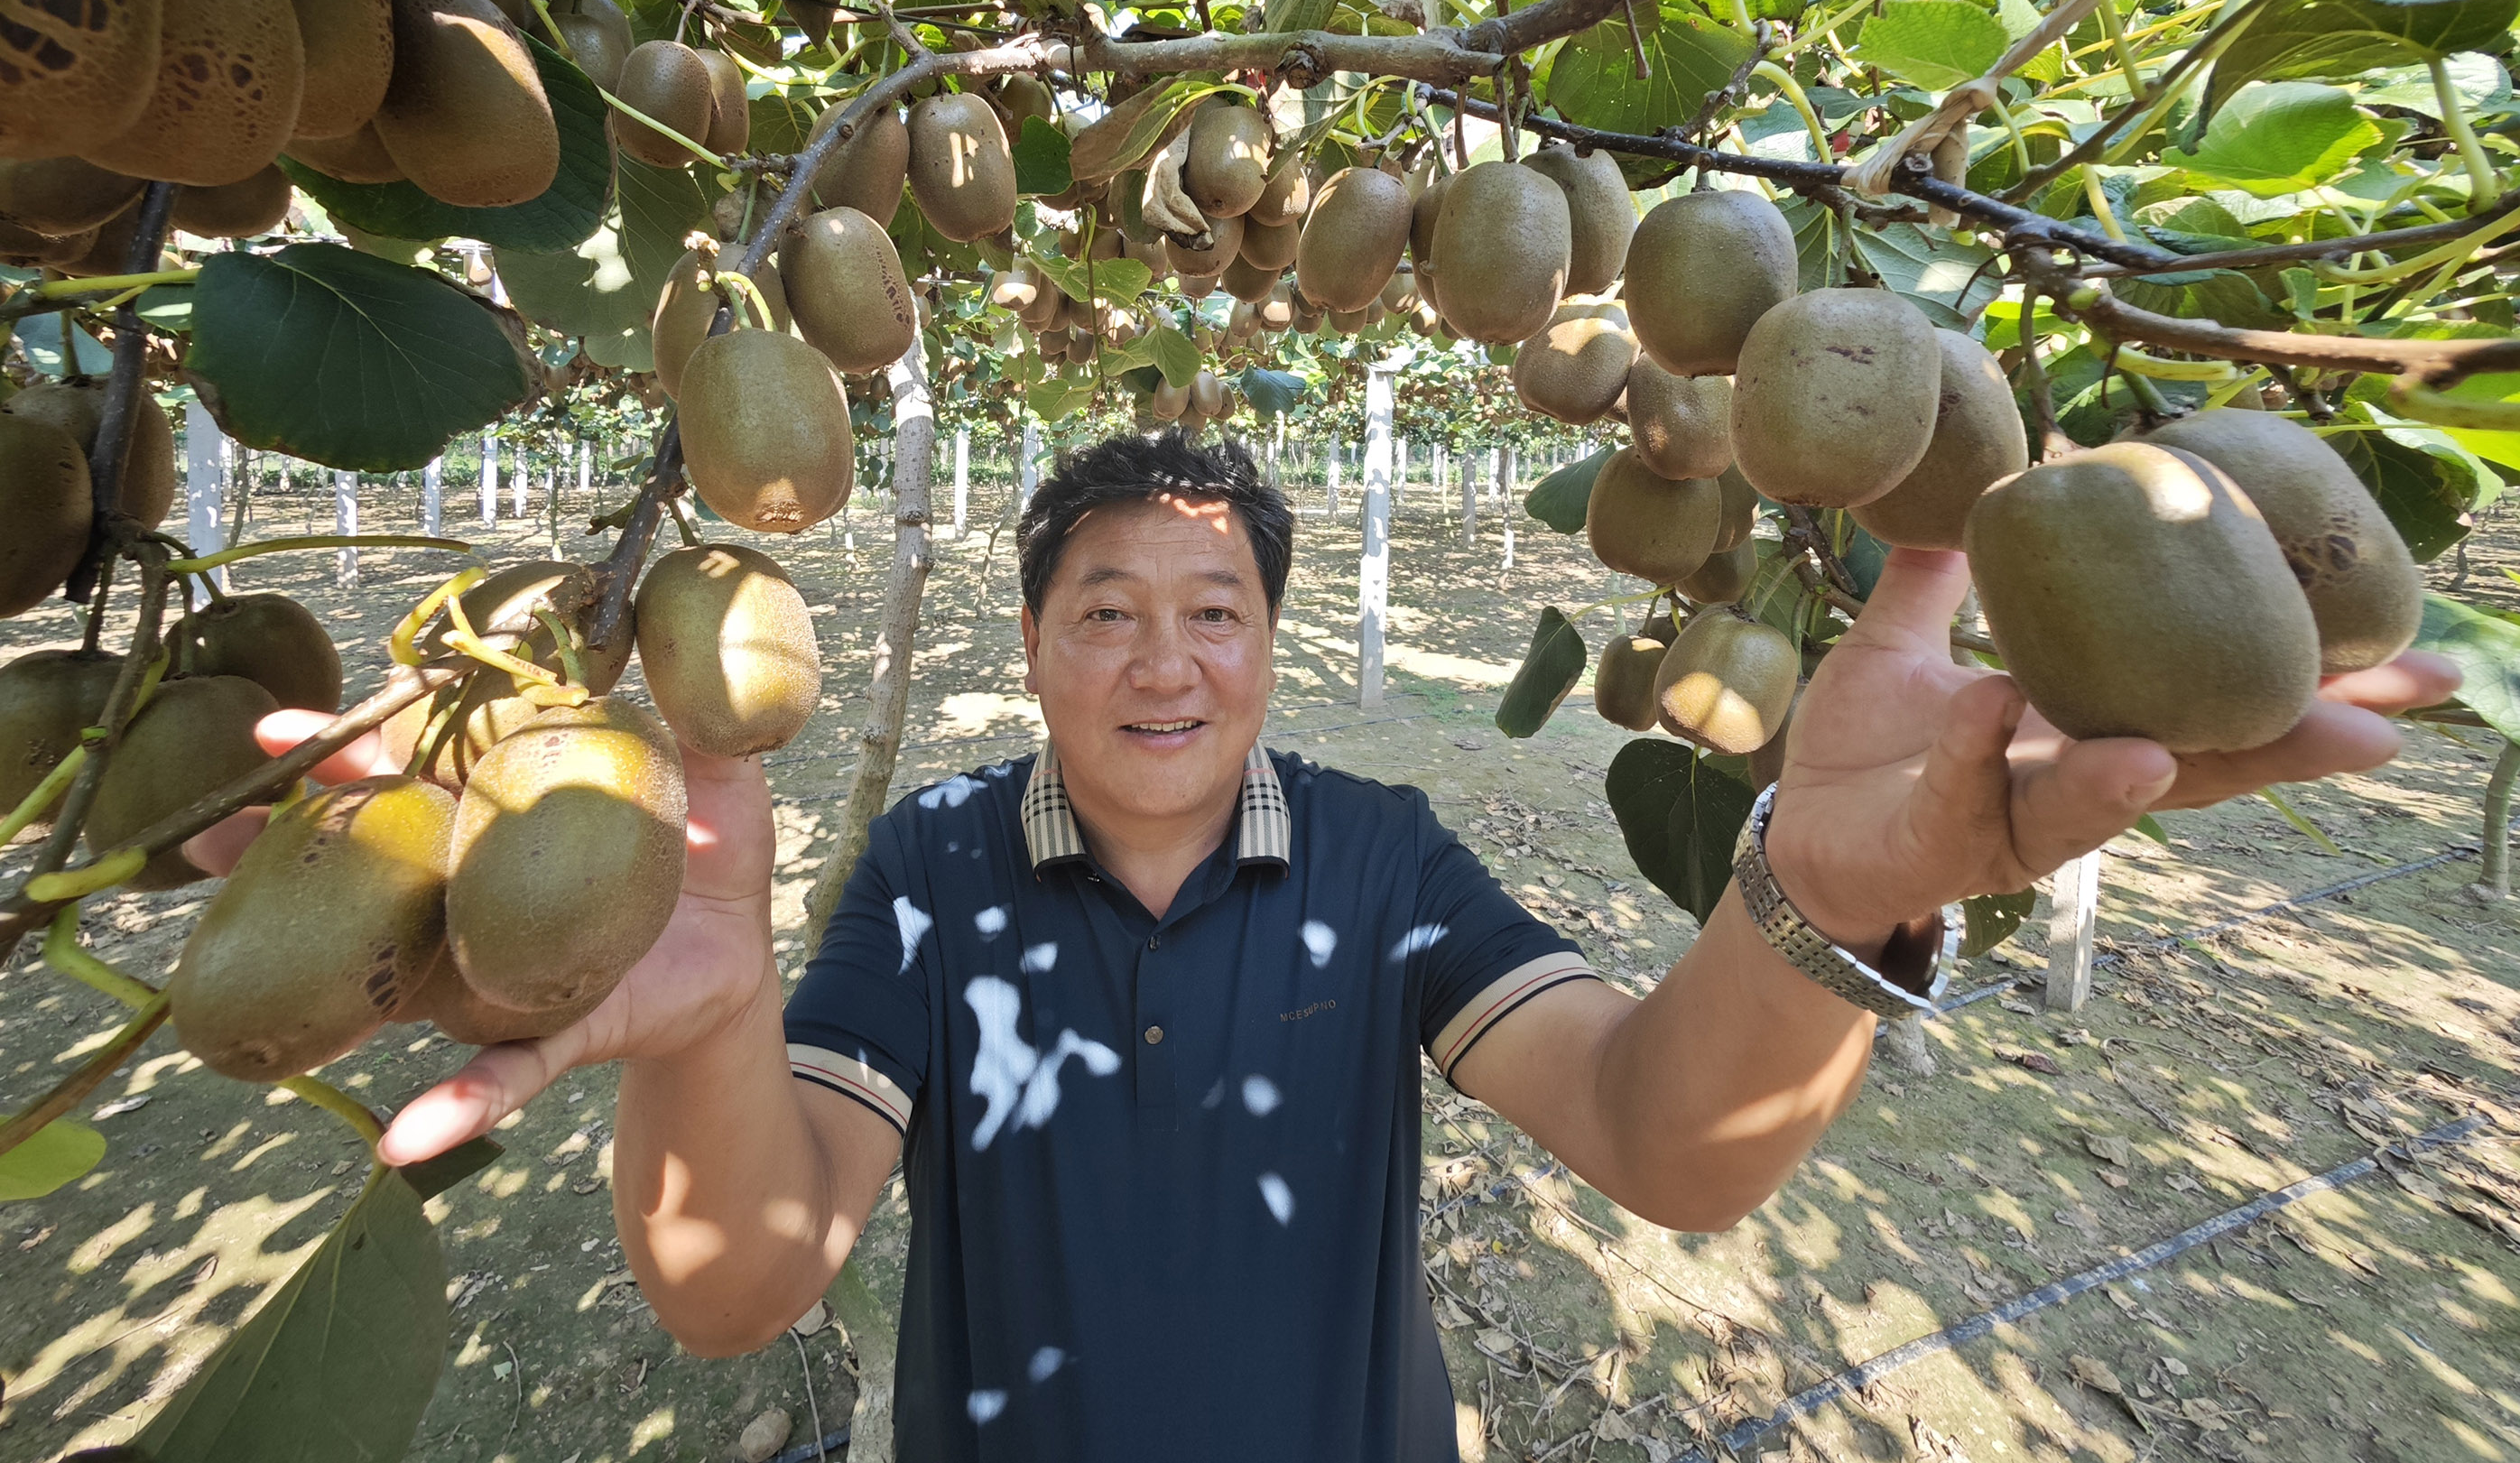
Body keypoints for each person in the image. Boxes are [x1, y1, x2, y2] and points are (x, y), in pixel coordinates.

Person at [227, 431, 2458, 1462]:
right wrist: (702, 1035)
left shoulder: (1383, 856)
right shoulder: (920, 864)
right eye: (1106, 610)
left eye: (1218, 613)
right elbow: (736, 1288)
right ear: (1032, 645)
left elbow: (1664, 1144)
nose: (1164, 662)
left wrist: (1835, 889)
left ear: (1280, 649)